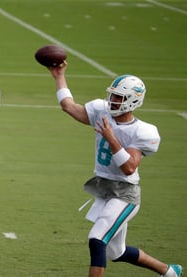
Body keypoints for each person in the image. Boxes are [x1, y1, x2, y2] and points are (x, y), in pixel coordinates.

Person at [47, 61, 183, 277]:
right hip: (105, 190)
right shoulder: (102, 111)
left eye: (119, 97)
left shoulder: (141, 131)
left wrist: (112, 139)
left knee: (97, 239)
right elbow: (69, 106)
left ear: (133, 100)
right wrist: (59, 76)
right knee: (116, 252)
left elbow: (129, 167)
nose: (113, 100)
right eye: (113, 95)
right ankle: (169, 272)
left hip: (125, 194)